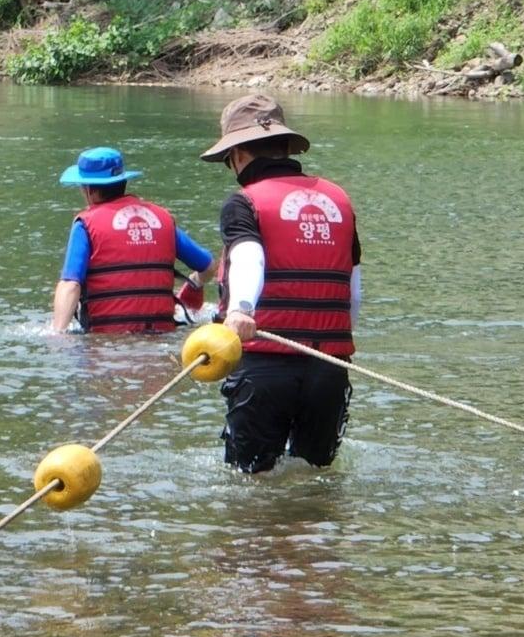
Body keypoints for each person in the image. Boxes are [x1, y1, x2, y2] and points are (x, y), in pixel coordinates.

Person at [200, 95, 362, 473]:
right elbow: (354, 290)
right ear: (287, 147)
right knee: (315, 476)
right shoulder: (339, 200)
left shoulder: (244, 202)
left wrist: (241, 309)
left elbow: (247, 255)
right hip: (329, 368)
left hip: (264, 366)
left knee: (250, 484)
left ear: (238, 155)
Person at [51, 146, 217, 334]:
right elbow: (209, 267)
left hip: (107, 344)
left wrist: (57, 335)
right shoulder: (162, 219)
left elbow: (70, 285)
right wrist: (193, 283)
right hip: (161, 339)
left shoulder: (85, 225)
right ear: (122, 181)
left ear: (90, 190)